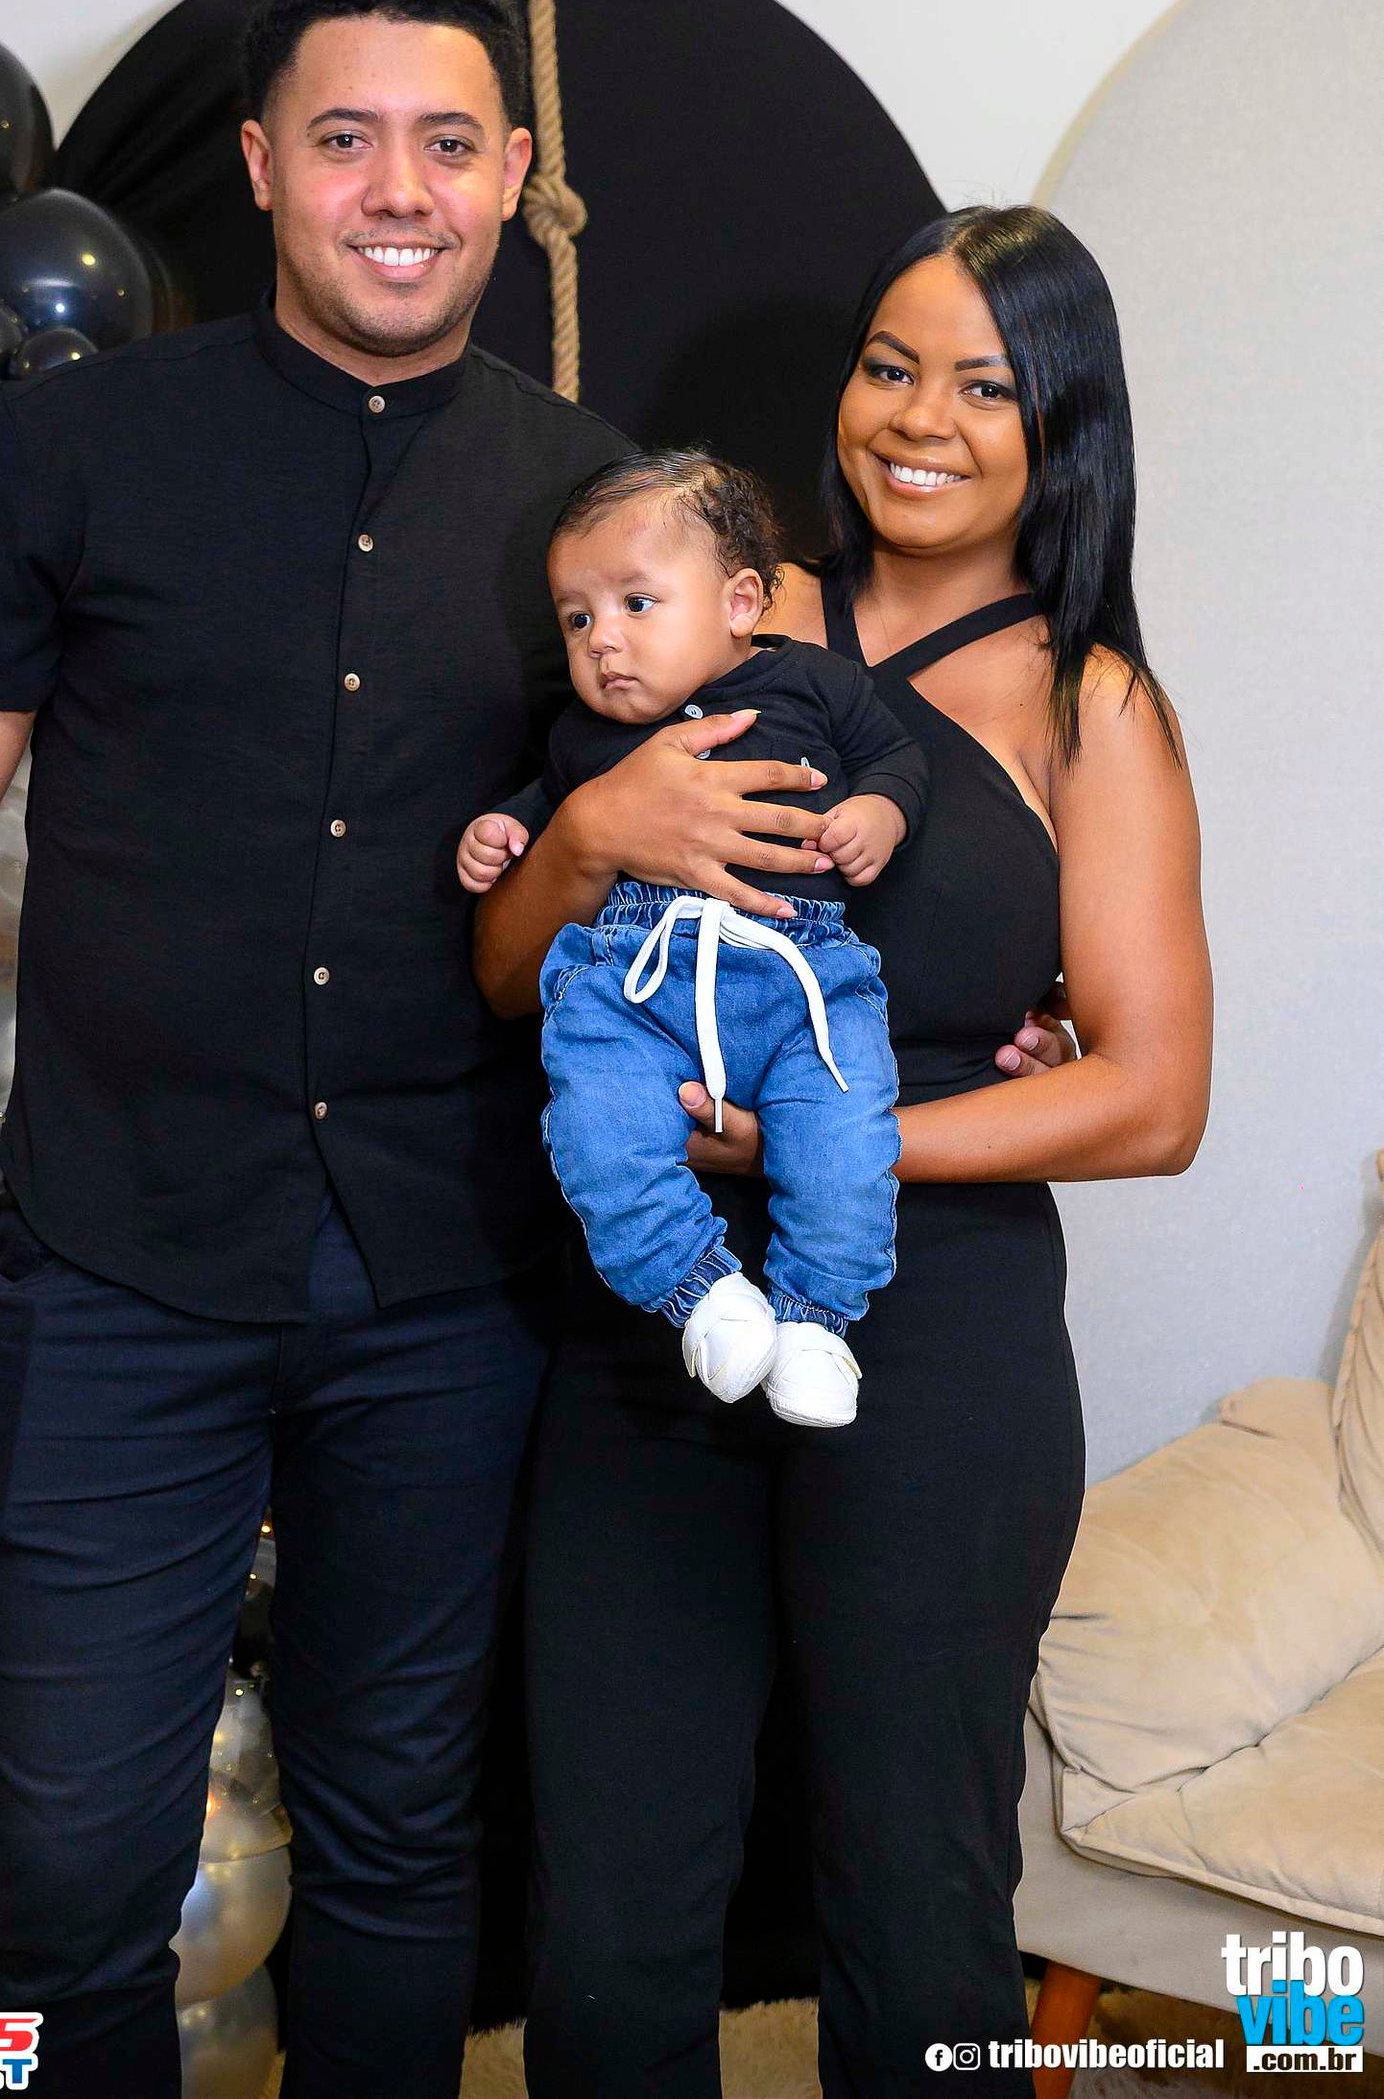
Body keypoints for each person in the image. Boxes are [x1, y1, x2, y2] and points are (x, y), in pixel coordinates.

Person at [0, 0, 644, 2099]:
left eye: (447, 144)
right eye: (347, 139)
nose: (399, 189)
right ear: (264, 166)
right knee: (73, 1875)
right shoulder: (70, 450)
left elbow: (675, 852)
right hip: (110, 1274)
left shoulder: (595, 503)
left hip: (449, 1288)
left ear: (514, 172)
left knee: (395, 1846)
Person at [473, 204, 1213, 2097]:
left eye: (985, 385)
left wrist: (844, 1142)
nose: (920, 419)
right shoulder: (699, 609)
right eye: (891, 366)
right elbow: (506, 973)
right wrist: (587, 839)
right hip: (653, 1332)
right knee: (610, 1907)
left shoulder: (1090, 704)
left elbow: (1151, 1095)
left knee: (918, 1900)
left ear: (1064, 424)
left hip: (936, 1342)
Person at [457, 446, 928, 1425]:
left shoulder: (816, 683)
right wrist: (503, 829)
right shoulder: (581, 736)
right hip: (636, 981)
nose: (602, 641)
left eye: (637, 604)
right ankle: (697, 1291)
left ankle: (816, 1321)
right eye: (576, 617)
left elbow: (895, 757)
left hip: (801, 972)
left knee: (844, 1147)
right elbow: (550, 809)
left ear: (739, 602)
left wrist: (879, 812)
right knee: (595, 1128)